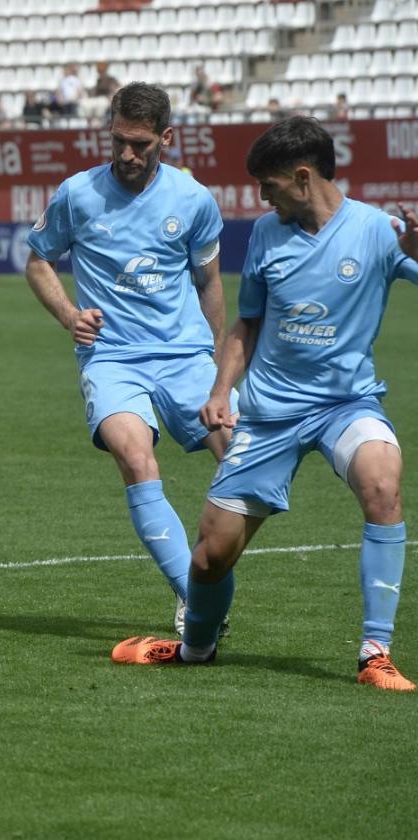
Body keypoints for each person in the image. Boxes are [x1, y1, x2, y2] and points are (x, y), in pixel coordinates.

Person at [112, 117, 418, 693]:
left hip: (347, 404)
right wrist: (220, 391)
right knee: (209, 557)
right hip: (270, 414)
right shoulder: (266, 236)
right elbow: (245, 325)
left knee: (383, 484)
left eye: (269, 184)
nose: (261, 196)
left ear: (303, 177)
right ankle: (195, 649)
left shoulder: (381, 231)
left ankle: (375, 654)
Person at [25, 83, 235, 632]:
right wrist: (70, 315)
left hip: (187, 355)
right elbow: (38, 262)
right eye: (118, 140)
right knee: (137, 460)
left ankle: (210, 575)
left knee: (240, 457)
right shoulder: (77, 193)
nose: (125, 155)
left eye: (140, 144)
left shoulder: (193, 200)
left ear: (166, 137)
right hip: (112, 359)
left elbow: (209, 282)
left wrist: (217, 367)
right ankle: (195, 598)